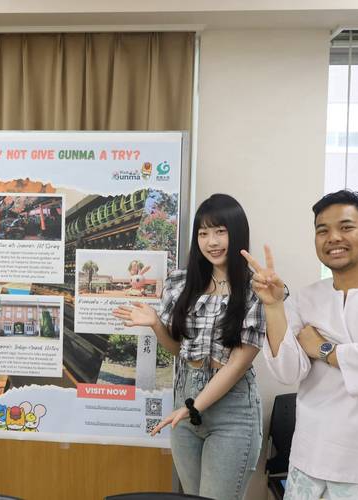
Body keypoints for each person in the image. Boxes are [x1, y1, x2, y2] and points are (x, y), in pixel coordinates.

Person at [243, 190, 358, 499]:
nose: (333, 237)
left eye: (346, 227)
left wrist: (325, 351)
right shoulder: (306, 298)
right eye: (323, 230)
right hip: (311, 459)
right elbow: (288, 371)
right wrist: (274, 306)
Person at [113, 193, 264, 500]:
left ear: (237, 233)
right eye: (203, 233)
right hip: (184, 403)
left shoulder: (258, 287)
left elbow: (237, 365)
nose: (212, 242)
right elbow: (179, 351)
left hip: (231, 411)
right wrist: (156, 324)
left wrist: (192, 407)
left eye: (220, 231)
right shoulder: (181, 282)